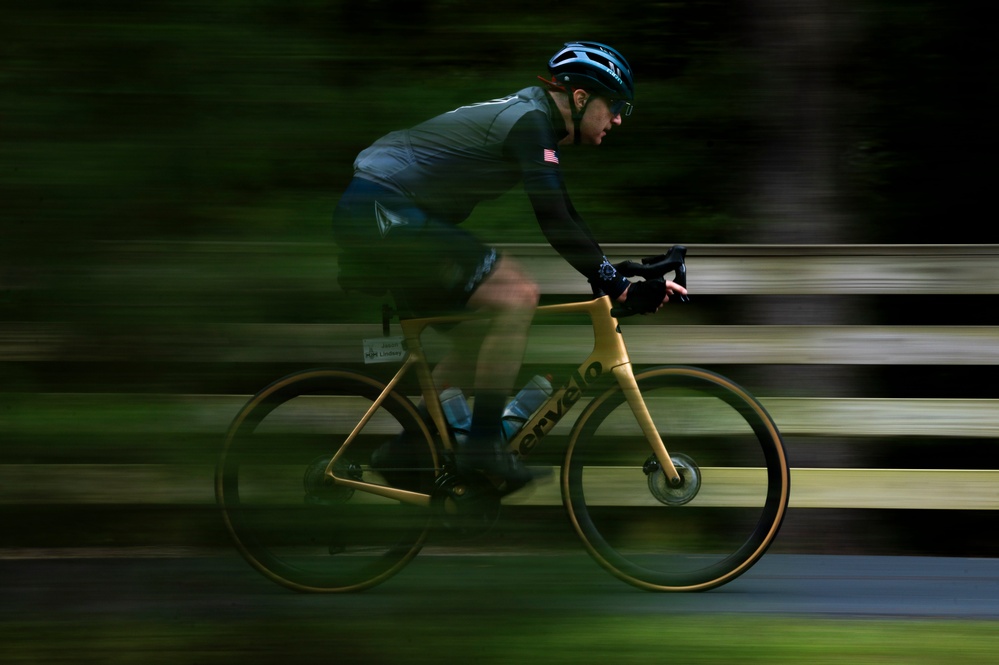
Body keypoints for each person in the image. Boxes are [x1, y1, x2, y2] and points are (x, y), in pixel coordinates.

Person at [331, 41, 687, 494]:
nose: (618, 118)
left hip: (383, 210)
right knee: (517, 293)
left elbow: (566, 213)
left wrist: (614, 275)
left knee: (480, 333)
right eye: (614, 106)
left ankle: (407, 450)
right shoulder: (530, 123)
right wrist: (614, 285)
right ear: (580, 99)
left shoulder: (533, 121)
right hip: (381, 207)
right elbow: (553, 217)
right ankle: (483, 448)